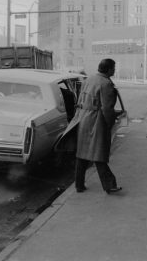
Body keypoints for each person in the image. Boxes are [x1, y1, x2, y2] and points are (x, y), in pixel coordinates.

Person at [57, 59, 123, 194]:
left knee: (82, 153)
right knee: (99, 154)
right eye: (113, 68)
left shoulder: (89, 79)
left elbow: (80, 99)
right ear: (109, 69)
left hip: (83, 118)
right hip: (97, 121)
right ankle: (109, 185)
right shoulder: (106, 84)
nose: (114, 70)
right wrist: (111, 122)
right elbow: (107, 109)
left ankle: (79, 185)